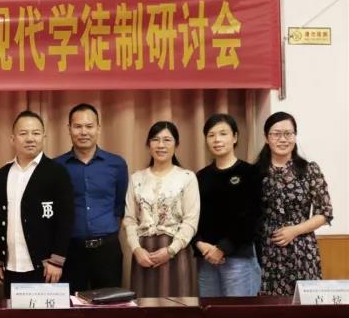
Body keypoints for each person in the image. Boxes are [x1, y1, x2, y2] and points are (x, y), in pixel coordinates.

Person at [0, 111, 74, 297]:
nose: (30, 138)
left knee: (44, 315)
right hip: (10, 266)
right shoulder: (2, 174)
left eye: (36, 133)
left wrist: (56, 260)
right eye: (23, 133)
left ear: (44, 137)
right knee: (13, 314)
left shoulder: (57, 173)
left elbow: (66, 219)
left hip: (46, 267)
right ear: (12, 139)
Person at [255, 112, 333, 296]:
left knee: (304, 305)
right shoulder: (255, 172)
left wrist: (294, 230)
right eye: (276, 134)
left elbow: (324, 213)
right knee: (268, 306)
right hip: (266, 250)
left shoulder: (310, 170)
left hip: (302, 250)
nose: (283, 139)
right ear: (266, 137)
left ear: (295, 136)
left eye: (288, 133)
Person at [54, 103, 129, 293]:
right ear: (69, 129)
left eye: (89, 126)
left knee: (109, 305)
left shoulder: (117, 164)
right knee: (70, 305)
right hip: (70, 251)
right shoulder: (56, 167)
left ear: (98, 128)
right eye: (77, 126)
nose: (83, 132)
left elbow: (119, 206)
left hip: (107, 250)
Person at [123, 121, 200, 298]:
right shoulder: (136, 178)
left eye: (167, 140)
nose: (161, 145)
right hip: (143, 254)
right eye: (155, 140)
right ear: (148, 144)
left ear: (176, 144)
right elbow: (129, 219)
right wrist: (136, 249)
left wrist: (170, 250)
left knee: (177, 307)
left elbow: (191, 220)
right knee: (144, 307)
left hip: (177, 251)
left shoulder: (187, 178)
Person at [194, 113, 261, 297]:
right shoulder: (201, 176)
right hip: (206, 259)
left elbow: (252, 217)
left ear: (235, 137)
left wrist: (223, 248)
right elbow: (193, 215)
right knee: (209, 311)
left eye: (223, 133)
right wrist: (199, 243)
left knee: (238, 313)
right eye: (211, 135)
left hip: (239, 258)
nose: (217, 139)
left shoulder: (250, 172)